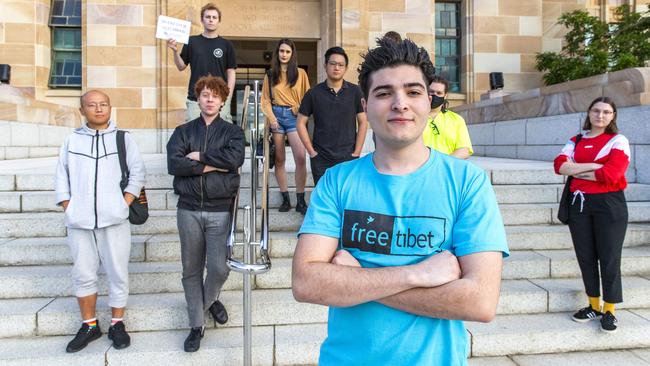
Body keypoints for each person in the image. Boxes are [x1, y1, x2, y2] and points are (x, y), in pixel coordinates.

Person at [291, 38, 509, 365]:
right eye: (383, 93)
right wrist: (417, 274)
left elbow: (479, 301)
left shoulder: (467, 182)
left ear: (428, 100)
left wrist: (360, 278)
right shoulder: (337, 182)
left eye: (413, 91)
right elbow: (306, 282)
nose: (400, 103)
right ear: (365, 105)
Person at [55, 90, 146, 353]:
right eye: (92, 105)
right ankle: (89, 324)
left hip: (114, 218)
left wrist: (124, 202)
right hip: (79, 221)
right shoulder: (71, 140)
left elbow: (137, 172)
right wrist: (67, 206)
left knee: (118, 272)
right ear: (82, 110)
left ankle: (117, 322)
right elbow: (62, 175)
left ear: (110, 108)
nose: (98, 109)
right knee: (83, 273)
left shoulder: (123, 139)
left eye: (103, 104)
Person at [166, 75, 245, 352]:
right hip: (188, 209)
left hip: (219, 209)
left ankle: (208, 301)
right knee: (191, 270)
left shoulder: (233, 133)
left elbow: (234, 160)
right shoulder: (183, 131)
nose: (210, 99)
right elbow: (174, 164)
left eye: (215, 95)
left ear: (223, 100)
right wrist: (213, 165)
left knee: (220, 267)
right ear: (197, 99)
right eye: (204, 95)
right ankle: (196, 325)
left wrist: (198, 157)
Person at [554, 96, 630, 333]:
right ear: (588, 113)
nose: (600, 115)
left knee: (608, 258)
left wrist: (576, 170)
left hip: (609, 205)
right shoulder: (576, 140)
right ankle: (593, 305)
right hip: (580, 204)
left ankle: (609, 310)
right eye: (596, 110)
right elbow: (559, 166)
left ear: (613, 116)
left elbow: (613, 174)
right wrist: (596, 167)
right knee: (586, 257)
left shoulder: (618, 140)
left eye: (606, 112)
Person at [296, 46, 368, 185]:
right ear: (325, 65)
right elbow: (300, 123)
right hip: (321, 158)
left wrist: (357, 152)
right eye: (333, 64)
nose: (336, 68)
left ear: (346, 68)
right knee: (324, 200)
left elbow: (363, 122)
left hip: (348, 157)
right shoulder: (313, 93)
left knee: (346, 199)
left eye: (341, 65)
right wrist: (311, 152)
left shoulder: (356, 92)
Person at [260, 38, 310, 214]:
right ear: (277, 53)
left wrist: (298, 109)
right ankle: (285, 198)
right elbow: (265, 100)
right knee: (279, 159)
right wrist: (272, 118)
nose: (284, 54)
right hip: (276, 116)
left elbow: (307, 97)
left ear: (292, 54)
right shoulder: (270, 74)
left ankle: (301, 199)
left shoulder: (300, 73)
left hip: (294, 117)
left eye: (287, 51)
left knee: (300, 157)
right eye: (281, 51)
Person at [166, 3, 236, 123]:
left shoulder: (226, 44)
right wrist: (175, 51)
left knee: (220, 136)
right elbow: (181, 66)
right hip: (195, 99)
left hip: (219, 98)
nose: (211, 20)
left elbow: (231, 72)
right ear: (202, 20)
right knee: (193, 136)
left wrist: (227, 97)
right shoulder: (192, 41)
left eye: (214, 17)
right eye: (208, 17)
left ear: (219, 21)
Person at [422, 75, 473, 159]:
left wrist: (442, 163)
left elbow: (464, 150)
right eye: (431, 92)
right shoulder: (413, 117)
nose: (434, 95)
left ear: (445, 96)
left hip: (447, 168)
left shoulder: (457, 120)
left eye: (439, 93)